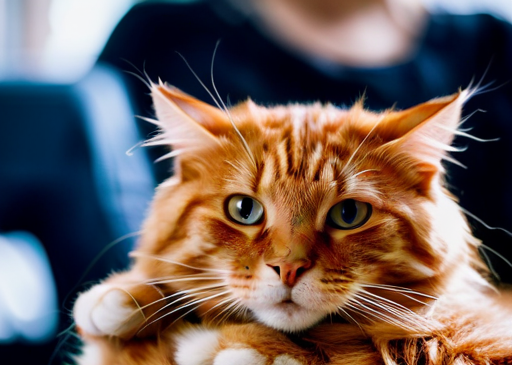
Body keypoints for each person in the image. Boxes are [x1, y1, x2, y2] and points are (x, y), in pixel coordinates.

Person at [99, 0, 512, 283]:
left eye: (349, 212)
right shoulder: (160, 35)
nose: (289, 263)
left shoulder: (496, 47)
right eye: (245, 209)